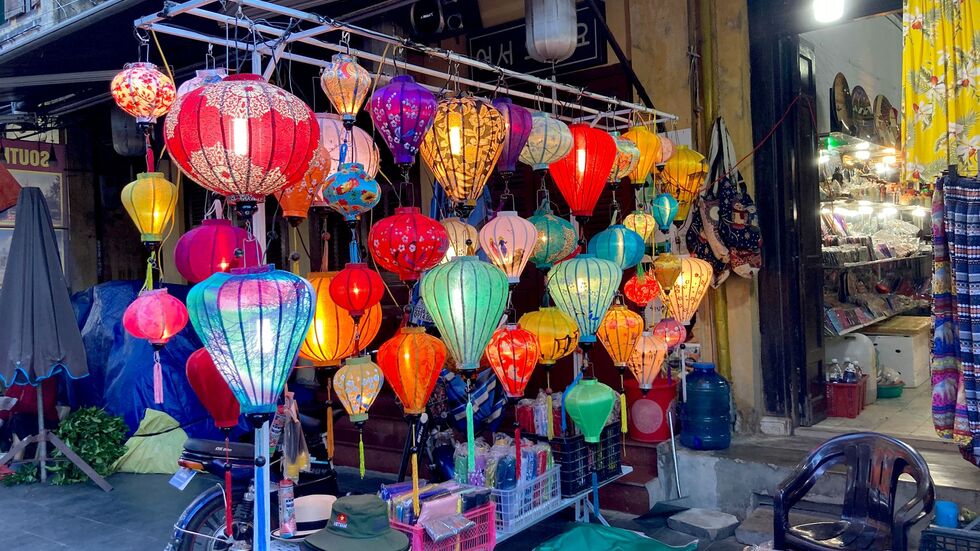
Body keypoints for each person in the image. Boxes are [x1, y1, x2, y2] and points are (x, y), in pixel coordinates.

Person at [0, 377, 59, 458]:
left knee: (18, 420)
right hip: (18, 422)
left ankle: (17, 461)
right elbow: (7, 402)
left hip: (44, 422)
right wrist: (1, 418)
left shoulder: (46, 378)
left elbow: (44, 407)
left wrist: (15, 404)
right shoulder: (18, 378)